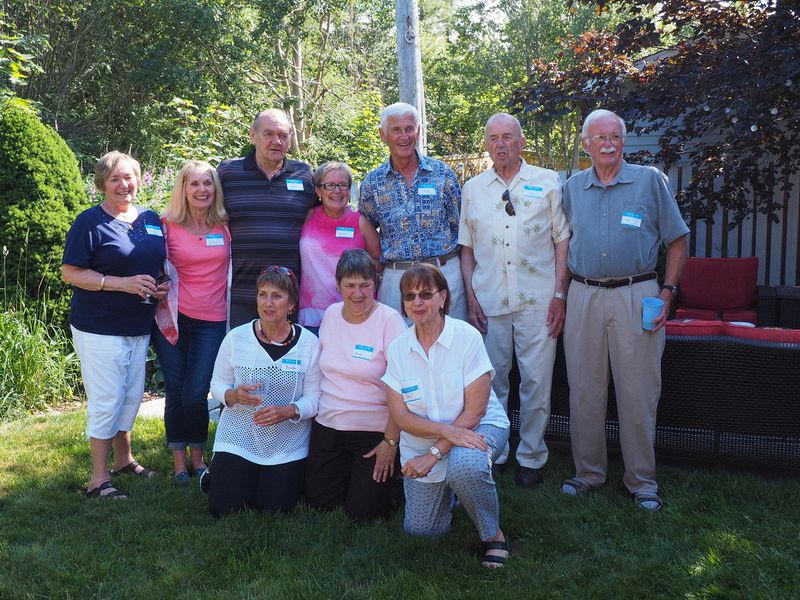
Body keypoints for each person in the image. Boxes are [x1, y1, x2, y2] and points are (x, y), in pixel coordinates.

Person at [560, 109, 689, 511]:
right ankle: (588, 474)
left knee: (638, 391)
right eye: (598, 137)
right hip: (583, 294)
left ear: (624, 140)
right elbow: (561, 244)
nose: (608, 143)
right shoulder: (571, 188)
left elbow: (678, 238)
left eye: (614, 136)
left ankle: (642, 482)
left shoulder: (649, 181)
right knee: (584, 388)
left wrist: (667, 291)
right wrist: (560, 296)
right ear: (585, 144)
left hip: (638, 294)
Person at [459, 113, 570, 488]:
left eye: (508, 137)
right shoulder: (472, 188)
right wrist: (471, 297)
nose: (501, 144)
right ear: (487, 144)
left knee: (537, 381)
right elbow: (467, 248)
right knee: (492, 382)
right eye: (493, 138)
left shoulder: (547, 182)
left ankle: (532, 456)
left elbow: (562, 240)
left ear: (521, 142)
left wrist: (559, 293)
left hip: (538, 300)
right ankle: (497, 450)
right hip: (489, 300)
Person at [383, 264, 511, 569]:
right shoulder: (399, 348)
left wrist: (435, 453)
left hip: (480, 426)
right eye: (410, 296)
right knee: (423, 530)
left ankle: (493, 535)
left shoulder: (466, 337)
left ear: (443, 298)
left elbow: (476, 410)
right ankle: (455, 493)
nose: (417, 302)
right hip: (428, 441)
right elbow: (399, 414)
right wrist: (445, 436)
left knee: (465, 466)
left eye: (426, 294)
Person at [62, 151, 167, 499]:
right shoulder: (89, 223)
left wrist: (161, 282)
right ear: (103, 185)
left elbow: (154, 262)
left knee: (132, 396)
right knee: (107, 399)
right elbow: (71, 272)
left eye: (129, 177)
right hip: (99, 326)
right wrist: (120, 283)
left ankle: (124, 460)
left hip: (139, 323)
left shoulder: (149, 219)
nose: (124, 185)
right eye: (115, 179)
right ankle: (97, 478)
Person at [207, 266, 321, 517]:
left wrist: (291, 410)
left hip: (287, 441)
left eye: (277, 296)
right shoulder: (237, 338)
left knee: (276, 508)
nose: (268, 303)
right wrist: (232, 396)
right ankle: (218, 471)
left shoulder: (309, 344)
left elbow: (315, 398)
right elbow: (217, 384)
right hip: (239, 436)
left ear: (291, 303)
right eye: (262, 294)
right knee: (224, 509)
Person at [304, 249, 407, 520]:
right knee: (320, 504)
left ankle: (398, 482)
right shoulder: (331, 314)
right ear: (338, 286)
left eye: (365, 285)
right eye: (350, 285)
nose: (358, 293)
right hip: (329, 426)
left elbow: (403, 387)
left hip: (373, 431)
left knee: (363, 513)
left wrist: (391, 441)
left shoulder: (390, 321)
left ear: (376, 284)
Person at [151, 160, 229, 484]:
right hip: (173, 318)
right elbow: (149, 261)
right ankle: (179, 460)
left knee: (196, 393)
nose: (202, 190)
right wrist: (156, 281)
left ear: (215, 189)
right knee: (177, 389)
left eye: (207, 183)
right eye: (194, 184)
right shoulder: (167, 225)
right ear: (183, 188)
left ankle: (199, 457)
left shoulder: (226, 225)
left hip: (212, 321)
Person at [359, 102, 466, 320]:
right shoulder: (373, 182)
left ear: (418, 131)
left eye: (409, 129)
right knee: (399, 347)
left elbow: (462, 228)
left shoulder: (442, 173)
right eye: (396, 130)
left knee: (452, 346)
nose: (404, 136)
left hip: (444, 274)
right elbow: (366, 225)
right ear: (383, 134)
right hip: (397, 280)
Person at [218, 109, 317, 327]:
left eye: (283, 135)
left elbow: (320, 221)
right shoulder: (228, 173)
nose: (276, 141)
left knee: (285, 359)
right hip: (242, 295)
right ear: (253, 136)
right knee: (242, 359)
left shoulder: (305, 175)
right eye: (269, 134)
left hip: (288, 297)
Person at [298, 162, 381, 332]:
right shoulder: (307, 217)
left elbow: (379, 261)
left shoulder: (360, 222)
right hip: (312, 311)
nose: (337, 191)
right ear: (318, 190)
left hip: (353, 309)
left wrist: (357, 269)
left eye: (343, 185)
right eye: (330, 185)